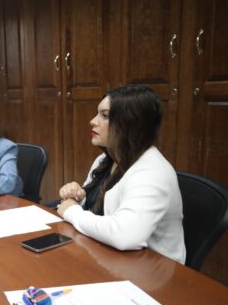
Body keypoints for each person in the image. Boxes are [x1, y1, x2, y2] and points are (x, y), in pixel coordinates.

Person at [57, 85, 185, 264]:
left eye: (104, 115)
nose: (92, 121)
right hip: (109, 257)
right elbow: (97, 210)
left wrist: (72, 211)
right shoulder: (106, 160)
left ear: (130, 123)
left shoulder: (152, 172)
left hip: (152, 271)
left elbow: (125, 236)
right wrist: (77, 197)